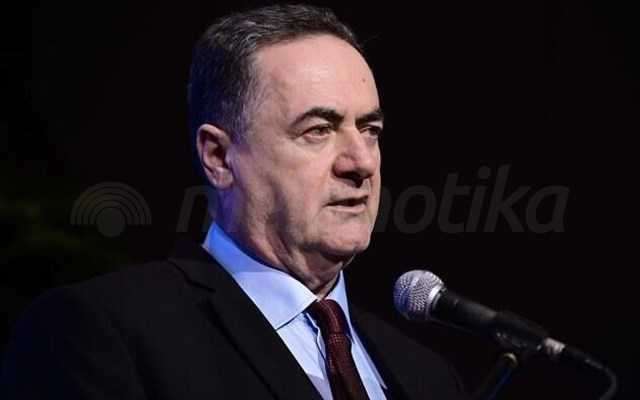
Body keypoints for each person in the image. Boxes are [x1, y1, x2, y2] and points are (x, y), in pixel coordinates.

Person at [1, 4, 467, 399]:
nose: (360, 162)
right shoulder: (105, 332)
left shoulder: (429, 377)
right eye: (318, 130)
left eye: (370, 130)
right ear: (219, 157)